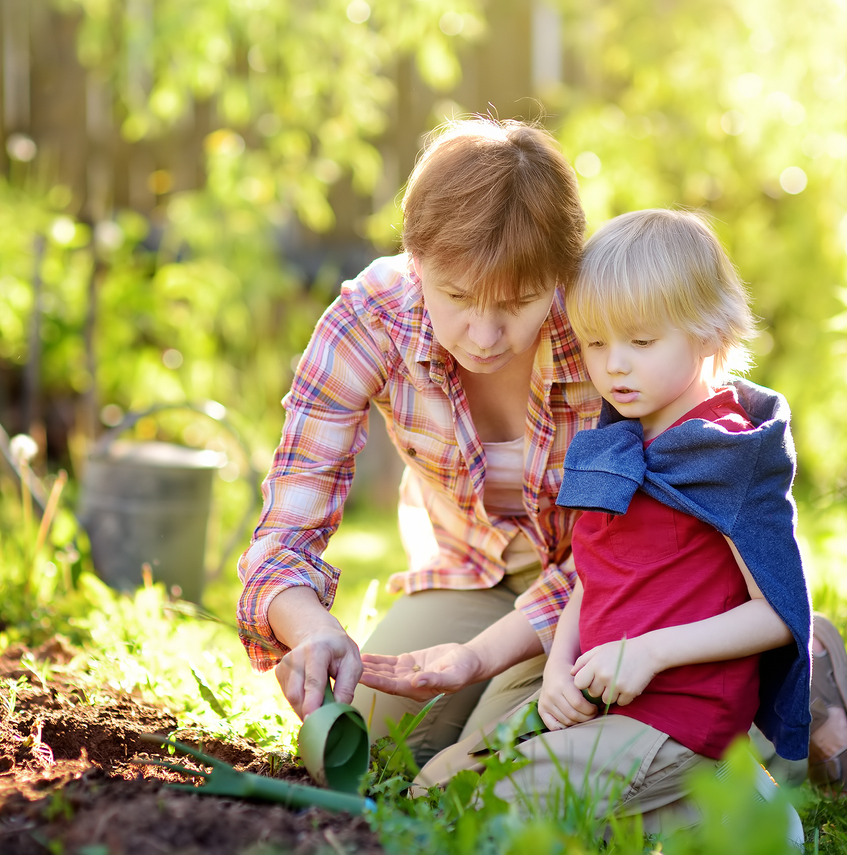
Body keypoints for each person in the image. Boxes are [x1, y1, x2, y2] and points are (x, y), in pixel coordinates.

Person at [363, 209, 824, 827]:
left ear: (709, 332)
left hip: (678, 713)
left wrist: (648, 653)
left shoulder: (727, 454)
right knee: (433, 783)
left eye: (640, 342)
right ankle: (718, 806)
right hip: (597, 701)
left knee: (480, 811)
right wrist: (556, 669)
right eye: (597, 343)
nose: (614, 366)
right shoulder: (616, 439)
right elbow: (594, 572)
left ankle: (721, 789)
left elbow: (778, 611)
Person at [235, 116, 600, 765]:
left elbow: (643, 536)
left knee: (499, 760)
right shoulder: (370, 319)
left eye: (516, 302)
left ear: (559, 277)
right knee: (380, 750)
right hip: (469, 571)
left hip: (603, 583)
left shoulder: (604, 320)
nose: (484, 334)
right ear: (415, 257)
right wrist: (312, 630)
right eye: (456, 295)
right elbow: (282, 538)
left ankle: (786, 663)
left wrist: (487, 657)